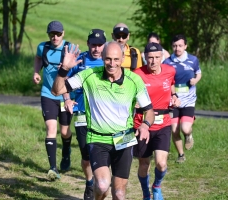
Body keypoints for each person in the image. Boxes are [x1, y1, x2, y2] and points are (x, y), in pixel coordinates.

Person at [51, 41, 155, 200]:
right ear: (102, 58)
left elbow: (149, 111)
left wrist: (146, 125)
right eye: (107, 59)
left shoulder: (134, 80)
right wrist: (64, 69)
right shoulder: (90, 75)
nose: (112, 63)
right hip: (98, 138)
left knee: (119, 194)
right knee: (102, 185)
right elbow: (57, 90)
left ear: (122, 59)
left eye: (115, 59)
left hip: (124, 138)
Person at [133, 43, 180, 200]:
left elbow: (172, 85)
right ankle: (146, 192)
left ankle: (157, 186)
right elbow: (127, 93)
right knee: (144, 164)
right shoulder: (137, 74)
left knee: (161, 163)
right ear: (145, 57)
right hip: (142, 124)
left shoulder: (170, 71)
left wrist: (175, 97)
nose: (153, 61)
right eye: (150, 58)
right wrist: (133, 102)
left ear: (162, 57)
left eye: (157, 57)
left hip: (163, 123)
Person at [64, 28, 107, 200]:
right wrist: (67, 99)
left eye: (99, 45)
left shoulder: (109, 61)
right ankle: (90, 182)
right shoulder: (79, 60)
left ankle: (101, 182)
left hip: (104, 117)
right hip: (82, 114)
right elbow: (64, 81)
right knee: (86, 157)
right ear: (88, 43)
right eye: (93, 45)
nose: (96, 48)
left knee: (103, 153)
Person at [33, 20, 75, 180]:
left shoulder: (69, 49)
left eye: (58, 34)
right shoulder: (42, 47)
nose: (55, 37)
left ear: (63, 33)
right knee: (51, 128)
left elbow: (77, 69)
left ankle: (66, 154)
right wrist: (36, 72)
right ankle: (53, 168)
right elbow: (38, 58)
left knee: (65, 131)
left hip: (65, 96)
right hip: (48, 94)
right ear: (48, 34)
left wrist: (67, 70)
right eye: (52, 34)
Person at [163, 34, 202, 163]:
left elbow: (198, 73)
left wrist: (195, 80)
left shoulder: (193, 60)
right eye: (174, 46)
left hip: (189, 100)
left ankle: (188, 135)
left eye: (180, 45)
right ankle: (181, 155)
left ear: (185, 46)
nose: (177, 48)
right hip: (173, 101)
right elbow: (163, 79)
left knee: (185, 128)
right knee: (174, 130)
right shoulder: (167, 62)